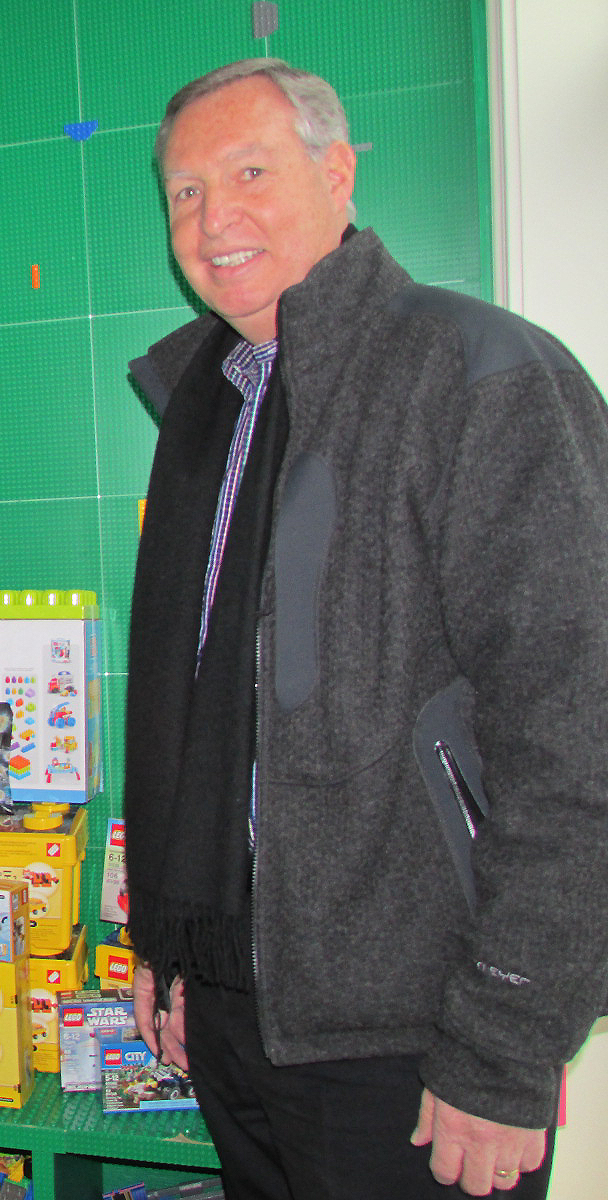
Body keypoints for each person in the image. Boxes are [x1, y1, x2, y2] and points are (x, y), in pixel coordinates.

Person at [123, 59, 608, 1199]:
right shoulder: (209, 407)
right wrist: (174, 951)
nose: (212, 216)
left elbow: (579, 728)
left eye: (249, 171)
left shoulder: (474, 373)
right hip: (236, 1019)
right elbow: (202, 719)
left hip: (413, 1035)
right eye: (184, 191)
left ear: (337, 173)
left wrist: (506, 1042)